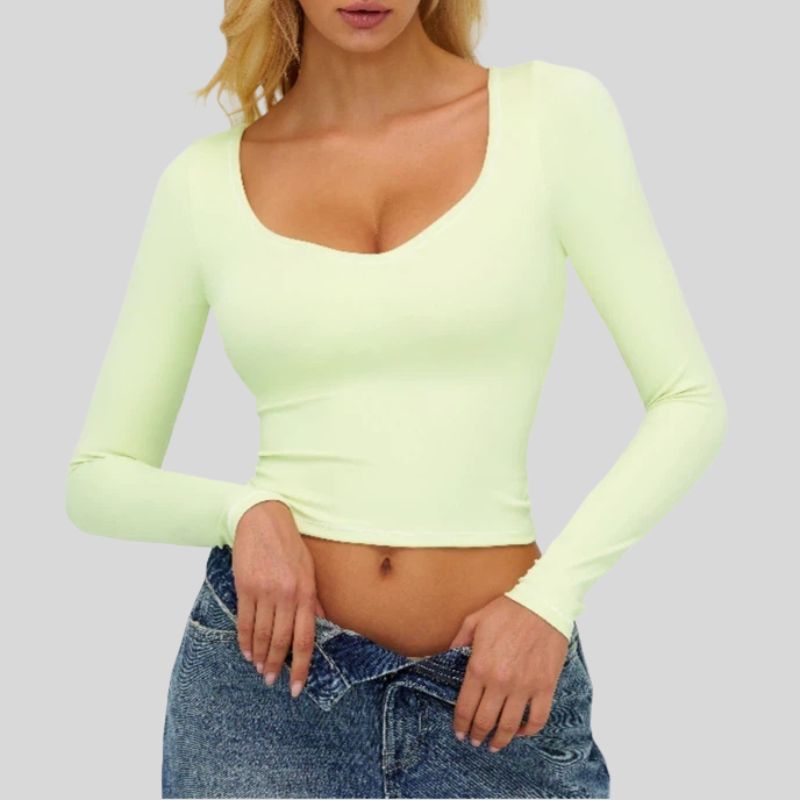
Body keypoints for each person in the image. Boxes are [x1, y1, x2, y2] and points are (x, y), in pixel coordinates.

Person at [64, 1, 728, 797]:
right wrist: (242, 513)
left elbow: (689, 401)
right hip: (264, 706)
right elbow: (97, 477)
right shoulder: (201, 183)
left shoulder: (552, 115)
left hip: (497, 698)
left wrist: (551, 599)